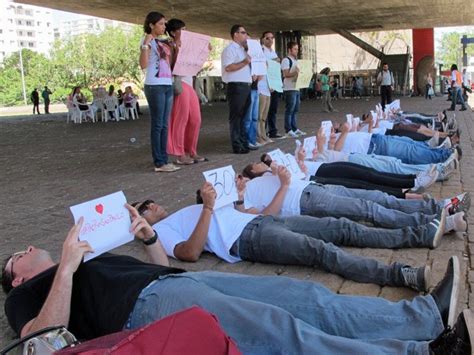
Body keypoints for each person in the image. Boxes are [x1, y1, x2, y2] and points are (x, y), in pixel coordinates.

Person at [3, 206, 472, 354]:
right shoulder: (26, 296)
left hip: (175, 284)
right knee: (277, 330)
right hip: (145, 311)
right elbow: (41, 341)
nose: (24, 248)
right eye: (15, 255)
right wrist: (63, 266)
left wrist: (147, 239)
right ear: (15, 275)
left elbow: (169, 264)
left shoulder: (90, 262)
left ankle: (423, 317)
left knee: (303, 297)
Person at [133, 182, 441, 291]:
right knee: (321, 251)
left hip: (264, 222)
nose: (151, 205)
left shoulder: (185, 210)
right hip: (249, 241)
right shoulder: (159, 231)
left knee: (343, 226)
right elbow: (190, 253)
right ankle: (399, 275)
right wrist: (208, 207)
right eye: (143, 209)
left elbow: (241, 213)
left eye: (148, 201)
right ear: (138, 223)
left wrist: (238, 199)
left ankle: (419, 234)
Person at [139, 12, 180, 173]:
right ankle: (159, 162)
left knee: (164, 124)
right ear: (151, 25)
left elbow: (171, 64)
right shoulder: (147, 40)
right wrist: (145, 45)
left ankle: (164, 159)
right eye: (161, 24)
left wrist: (175, 47)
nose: (164, 26)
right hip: (154, 85)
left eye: (164, 24)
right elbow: (143, 65)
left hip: (167, 83)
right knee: (157, 124)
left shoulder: (163, 42)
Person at [165, 19, 206, 165]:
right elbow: (170, 66)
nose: (185, 32)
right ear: (173, 32)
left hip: (189, 83)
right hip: (180, 83)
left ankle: (191, 151)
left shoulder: (189, 46)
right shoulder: (169, 46)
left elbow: (195, 67)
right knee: (181, 119)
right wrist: (177, 49)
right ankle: (180, 153)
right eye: (182, 29)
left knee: (195, 119)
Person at [221, 24, 253, 154]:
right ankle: (237, 145)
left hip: (246, 85)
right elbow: (228, 67)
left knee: (244, 116)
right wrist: (245, 62)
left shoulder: (243, 50)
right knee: (236, 117)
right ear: (235, 34)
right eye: (243, 32)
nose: (246, 35)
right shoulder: (230, 49)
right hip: (236, 85)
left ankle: (244, 142)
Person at [281, 42, 305, 138]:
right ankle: (288, 129)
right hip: (289, 88)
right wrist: (296, 72)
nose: (296, 51)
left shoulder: (296, 60)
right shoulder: (286, 60)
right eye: (295, 49)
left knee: (295, 109)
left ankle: (294, 128)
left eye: (297, 49)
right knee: (290, 109)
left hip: (296, 87)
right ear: (289, 50)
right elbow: (285, 74)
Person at [261, 31, 282, 139]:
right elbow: (263, 64)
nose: (270, 40)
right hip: (264, 84)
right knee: (263, 111)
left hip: (274, 83)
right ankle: (262, 132)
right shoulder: (261, 50)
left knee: (273, 109)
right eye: (268, 38)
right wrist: (273, 61)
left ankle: (272, 130)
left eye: (272, 38)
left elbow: (275, 69)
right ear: (263, 39)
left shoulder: (273, 52)